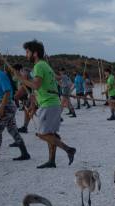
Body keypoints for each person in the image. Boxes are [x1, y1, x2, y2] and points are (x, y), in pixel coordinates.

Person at [18, 39, 76, 168]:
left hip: (48, 104)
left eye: (27, 52)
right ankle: (51, 161)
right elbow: (46, 84)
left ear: (35, 53)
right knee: (51, 134)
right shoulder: (46, 65)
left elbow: (36, 85)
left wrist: (22, 79)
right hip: (52, 102)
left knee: (42, 134)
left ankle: (68, 149)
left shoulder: (39, 66)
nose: (26, 55)